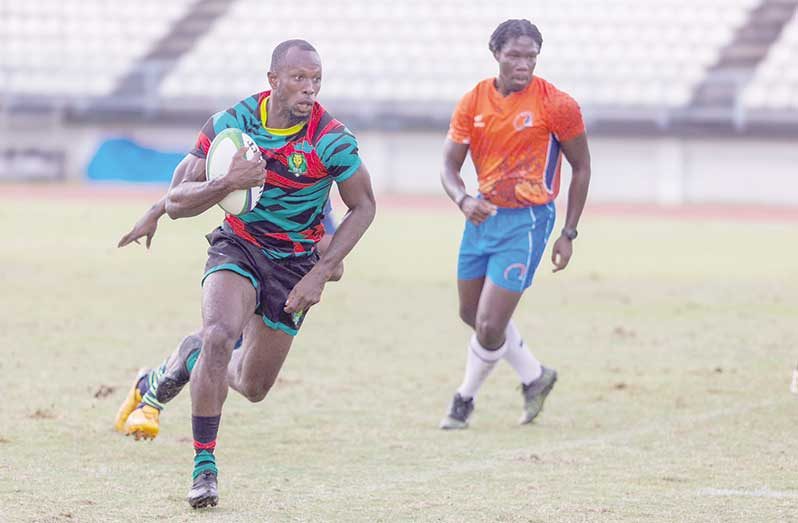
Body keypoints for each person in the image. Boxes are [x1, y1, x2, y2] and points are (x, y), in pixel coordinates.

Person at [114, 39, 376, 508]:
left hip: (295, 262)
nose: (309, 89)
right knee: (219, 334)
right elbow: (178, 199)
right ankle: (204, 469)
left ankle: (181, 361)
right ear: (272, 80)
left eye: (316, 80)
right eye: (299, 78)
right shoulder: (230, 125)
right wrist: (226, 183)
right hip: (239, 245)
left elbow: (364, 206)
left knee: (253, 386)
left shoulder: (332, 138)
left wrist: (321, 272)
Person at [439, 19, 591, 430]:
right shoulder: (474, 101)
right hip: (482, 215)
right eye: (515, 55)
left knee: (490, 324)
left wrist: (569, 232)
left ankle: (463, 399)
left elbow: (581, 168)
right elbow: (449, 166)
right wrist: (463, 199)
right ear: (497, 55)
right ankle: (534, 376)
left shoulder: (557, 105)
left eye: (531, 56)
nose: (524, 64)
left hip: (527, 221)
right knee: (471, 314)